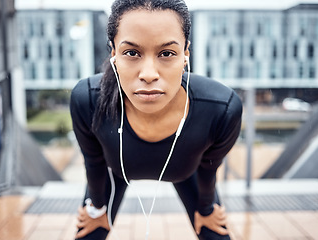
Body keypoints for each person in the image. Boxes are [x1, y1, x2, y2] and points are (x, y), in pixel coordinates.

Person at [70, 0, 242, 239]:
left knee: (215, 234)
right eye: (131, 53)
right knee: (89, 232)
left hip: (187, 171)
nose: (148, 74)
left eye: (166, 53)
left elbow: (209, 166)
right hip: (113, 172)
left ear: (185, 54)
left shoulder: (221, 109)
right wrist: (97, 207)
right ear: (114, 55)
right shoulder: (87, 100)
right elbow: (93, 161)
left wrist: (205, 208)